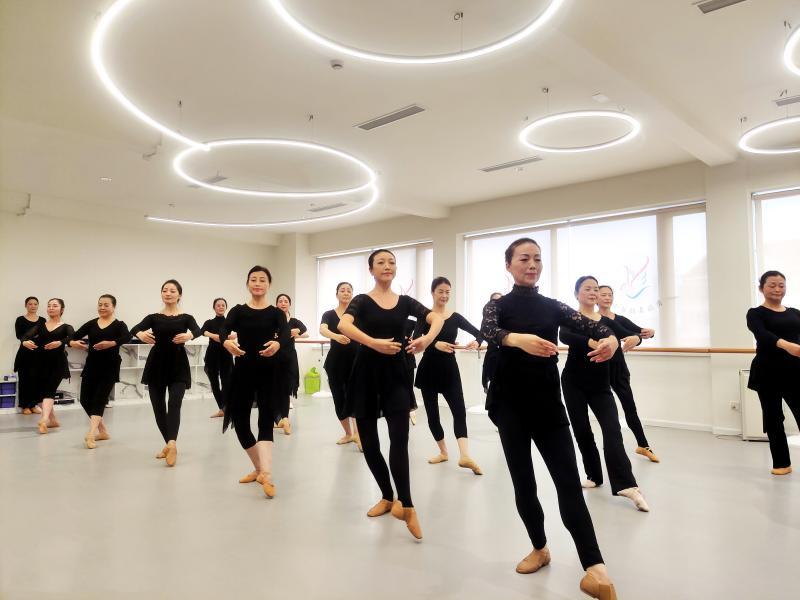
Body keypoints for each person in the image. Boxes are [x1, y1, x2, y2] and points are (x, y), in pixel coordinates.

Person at [481, 238, 619, 600]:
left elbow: (596, 327)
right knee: (524, 484)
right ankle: (540, 548)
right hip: (510, 406)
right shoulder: (498, 305)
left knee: (568, 483)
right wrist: (517, 340)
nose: (532, 264)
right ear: (509, 265)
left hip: (547, 406)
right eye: (524, 258)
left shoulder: (553, 307)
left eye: (537, 259)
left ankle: (595, 567)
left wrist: (612, 342)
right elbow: (488, 330)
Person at [338, 249, 444, 540]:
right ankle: (387, 496)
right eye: (381, 262)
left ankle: (407, 505)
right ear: (371, 269)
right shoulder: (362, 300)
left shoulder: (406, 302)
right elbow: (344, 324)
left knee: (399, 440)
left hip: (396, 376)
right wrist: (373, 342)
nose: (387, 266)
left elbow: (436, 318)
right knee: (370, 444)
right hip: (365, 375)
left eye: (392, 262)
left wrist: (426, 340)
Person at [560, 276, 649, 512]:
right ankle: (594, 475)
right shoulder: (572, 318)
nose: (593, 292)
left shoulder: (607, 322)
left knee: (612, 431)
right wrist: (593, 342)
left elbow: (633, 333)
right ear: (577, 293)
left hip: (600, 386)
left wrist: (636, 338)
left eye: (596, 289)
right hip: (573, 383)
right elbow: (565, 336)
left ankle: (627, 485)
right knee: (582, 430)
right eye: (587, 289)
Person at [220, 266, 288, 498]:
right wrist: (226, 342)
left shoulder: (276, 313)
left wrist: (278, 344)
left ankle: (267, 474)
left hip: (269, 371)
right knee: (240, 422)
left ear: (269, 284)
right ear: (248, 284)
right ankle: (259, 469)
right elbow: (224, 329)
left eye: (262, 280)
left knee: (265, 420)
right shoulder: (238, 311)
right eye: (253, 279)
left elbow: (285, 334)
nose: (258, 283)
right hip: (243, 372)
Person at [413, 276, 483, 474]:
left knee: (459, 411)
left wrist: (477, 342)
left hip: (449, 369)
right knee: (433, 414)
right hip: (428, 369)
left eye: (447, 292)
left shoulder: (455, 317)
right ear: (432, 293)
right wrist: (435, 343)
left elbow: (480, 332)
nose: (444, 295)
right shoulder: (425, 317)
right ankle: (443, 452)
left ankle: (465, 456)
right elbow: (415, 339)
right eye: (440, 292)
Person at [130, 280, 201, 467]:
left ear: (179, 295)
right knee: (158, 407)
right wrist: (140, 335)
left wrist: (189, 335)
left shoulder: (186, 317)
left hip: (178, 365)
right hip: (156, 365)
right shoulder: (153, 317)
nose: (168, 293)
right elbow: (134, 328)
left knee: (174, 403)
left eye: (172, 291)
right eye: (164, 290)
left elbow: (198, 330)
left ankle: (172, 444)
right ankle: (170, 445)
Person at [746, 270, 800, 476]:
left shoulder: (795, 313)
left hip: (794, 372)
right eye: (772, 285)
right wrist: (787, 346)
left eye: (781, 285)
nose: (777, 289)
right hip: (767, 372)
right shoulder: (755, 313)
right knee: (774, 419)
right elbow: (762, 335)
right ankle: (781, 463)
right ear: (762, 288)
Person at [597, 285, 659, 462]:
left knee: (630, 407)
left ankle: (643, 445)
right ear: (596, 298)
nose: (607, 298)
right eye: (603, 295)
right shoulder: (592, 319)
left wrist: (650, 333)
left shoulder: (619, 320)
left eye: (610, 295)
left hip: (618, 369)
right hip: (599, 369)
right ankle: (612, 450)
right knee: (607, 412)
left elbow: (639, 333)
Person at [69, 295, 130, 449]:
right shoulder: (91, 323)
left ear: (113, 307)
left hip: (110, 366)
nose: (102, 307)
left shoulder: (119, 325)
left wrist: (112, 343)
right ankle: (103, 432)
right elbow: (72, 337)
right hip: (92, 365)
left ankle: (91, 433)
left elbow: (127, 337)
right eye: (100, 304)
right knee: (85, 399)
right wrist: (72, 343)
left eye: (106, 305)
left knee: (99, 400)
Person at [21, 299, 73, 435]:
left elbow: (72, 338)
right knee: (41, 392)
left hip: (58, 363)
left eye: (55, 306)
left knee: (49, 390)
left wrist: (60, 342)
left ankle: (43, 420)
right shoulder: (40, 325)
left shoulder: (66, 326)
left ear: (62, 309)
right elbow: (25, 336)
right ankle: (53, 420)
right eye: (49, 306)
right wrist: (24, 342)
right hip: (40, 363)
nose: (51, 308)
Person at [319, 282, 360, 448]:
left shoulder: (358, 314)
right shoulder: (329, 314)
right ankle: (349, 434)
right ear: (337, 294)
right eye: (342, 290)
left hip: (356, 362)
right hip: (335, 363)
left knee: (355, 397)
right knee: (339, 398)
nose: (346, 293)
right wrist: (336, 337)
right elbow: (322, 329)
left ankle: (358, 435)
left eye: (349, 290)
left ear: (352, 294)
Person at [274, 293, 307, 435]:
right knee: (273, 389)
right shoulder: (273, 319)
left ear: (289, 304)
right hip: (274, 357)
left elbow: (304, 329)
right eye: (280, 301)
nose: (283, 303)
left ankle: (285, 419)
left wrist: (295, 331)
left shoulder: (294, 321)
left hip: (289, 358)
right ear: (276, 304)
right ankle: (278, 419)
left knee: (286, 389)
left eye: (286, 301)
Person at [201, 298, 233, 418]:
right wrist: (214, 336)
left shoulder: (229, 322)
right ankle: (222, 408)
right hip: (212, 355)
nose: (221, 307)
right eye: (218, 305)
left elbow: (238, 332)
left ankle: (226, 408)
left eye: (223, 305)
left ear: (226, 307)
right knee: (214, 383)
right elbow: (202, 331)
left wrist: (229, 337)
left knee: (226, 382)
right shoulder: (209, 322)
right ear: (214, 307)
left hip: (226, 354)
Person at [14, 296, 45, 415]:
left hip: (38, 353)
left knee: (36, 379)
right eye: (30, 304)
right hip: (24, 353)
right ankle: (25, 406)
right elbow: (19, 335)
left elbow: (44, 335)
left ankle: (33, 404)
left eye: (35, 304)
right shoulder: (20, 319)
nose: (33, 306)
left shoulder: (42, 320)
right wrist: (27, 340)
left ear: (38, 305)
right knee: (24, 379)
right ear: (26, 305)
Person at [481, 292, 503, 394]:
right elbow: (482, 332)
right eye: (494, 301)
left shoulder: (506, 317)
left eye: (499, 300)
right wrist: (477, 342)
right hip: (493, 355)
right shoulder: (487, 320)